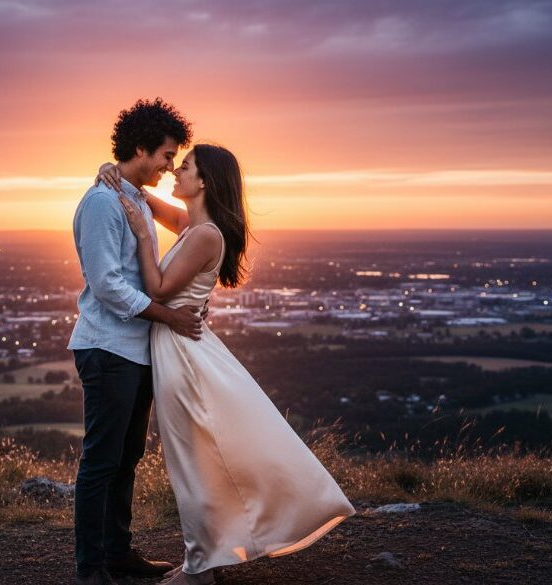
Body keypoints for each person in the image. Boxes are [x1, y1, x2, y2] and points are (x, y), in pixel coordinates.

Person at [97, 144, 357, 585]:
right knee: (198, 461)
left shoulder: (205, 235)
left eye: (186, 166)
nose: (176, 171)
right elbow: (140, 199)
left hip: (181, 355)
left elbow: (157, 290)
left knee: (193, 463)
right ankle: (206, 558)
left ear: (204, 182)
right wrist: (113, 172)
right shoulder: (194, 225)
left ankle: (200, 569)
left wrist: (143, 237)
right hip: (178, 349)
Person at [67, 98, 207, 585]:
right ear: (143, 148)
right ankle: (90, 570)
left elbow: (189, 226)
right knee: (101, 460)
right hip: (107, 348)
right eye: (168, 155)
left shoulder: (129, 196)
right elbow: (108, 285)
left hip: (134, 350)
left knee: (126, 457)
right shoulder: (103, 202)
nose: (171, 166)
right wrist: (169, 316)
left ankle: (117, 553)